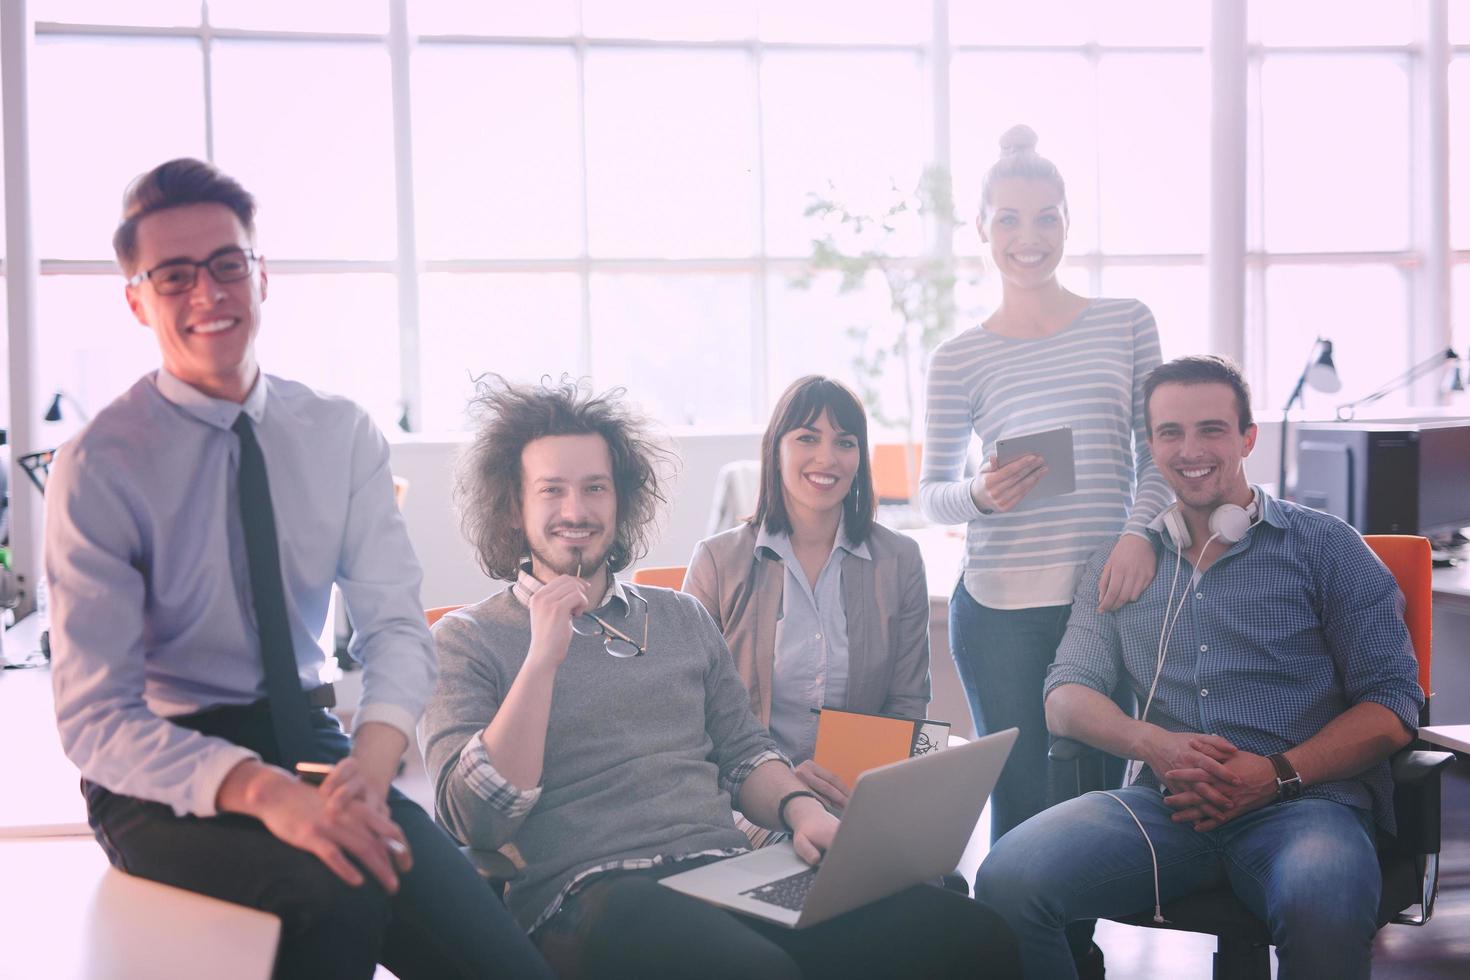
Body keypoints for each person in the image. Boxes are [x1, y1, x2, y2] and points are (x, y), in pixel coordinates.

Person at [45, 159, 550, 980]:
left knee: (501, 960)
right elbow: (95, 719)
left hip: (316, 748)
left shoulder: (336, 433)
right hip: (162, 772)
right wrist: (265, 792)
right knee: (334, 891)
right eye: (174, 275)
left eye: (226, 264)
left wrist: (375, 764)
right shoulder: (100, 463)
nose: (207, 292)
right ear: (137, 299)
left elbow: (394, 626)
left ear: (261, 275)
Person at [420, 376, 1020, 979]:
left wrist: (802, 811)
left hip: (727, 871)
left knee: (971, 936)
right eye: (552, 490)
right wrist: (541, 658)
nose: (576, 510)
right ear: (513, 505)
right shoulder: (467, 640)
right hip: (593, 894)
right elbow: (475, 820)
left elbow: (742, 750)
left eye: (595, 488)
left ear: (622, 499)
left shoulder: (679, 618)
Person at [973, 355, 1424, 980]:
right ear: (1150, 445)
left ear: (1247, 438)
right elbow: (1065, 696)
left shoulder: (1326, 546)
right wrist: (1153, 744)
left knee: (1324, 902)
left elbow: (1394, 705)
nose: (1191, 450)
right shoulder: (1123, 561)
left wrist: (1274, 774)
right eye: (1170, 433)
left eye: (1211, 429)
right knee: (1007, 881)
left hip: (1305, 804)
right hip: (1163, 803)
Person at [919, 123, 1171, 846]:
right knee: (1024, 807)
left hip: (1105, 598)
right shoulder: (959, 357)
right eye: (1008, 219)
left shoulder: (1125, 323)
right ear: (981, 228)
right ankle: (1028, 958)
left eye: (1045, 218)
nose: (1028, 237)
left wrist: (1136, 533)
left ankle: (1078, 957)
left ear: (1067, 221)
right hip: (998, 610)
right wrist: (980, 494)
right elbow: (930, 491)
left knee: (1095, 805)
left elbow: (1154, 454)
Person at [684, 375, 929, 813]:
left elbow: (907, 705)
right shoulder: (718, 562)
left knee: (936, 879)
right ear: (776, 449)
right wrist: (778, 781)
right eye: (807, 438)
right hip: (748, 799)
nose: (827, 458)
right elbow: (691, 714)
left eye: (845, 442)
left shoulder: (900, 560)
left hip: (857, 794)